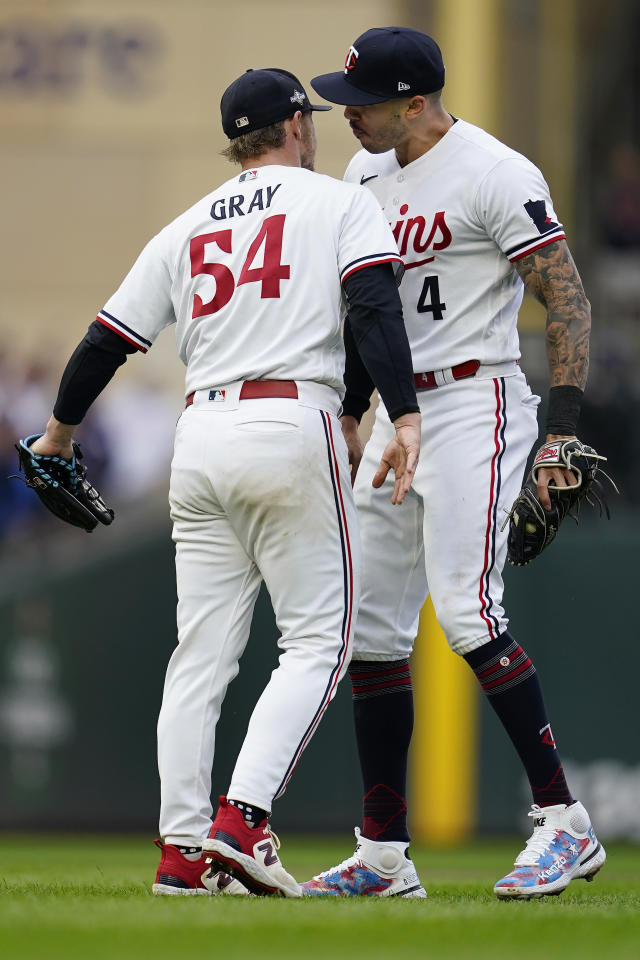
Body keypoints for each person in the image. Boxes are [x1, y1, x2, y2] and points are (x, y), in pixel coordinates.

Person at [28, 66, 421, 897]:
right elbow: (376, 311)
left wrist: (59, 431)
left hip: (200, 432)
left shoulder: (186, 224)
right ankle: (241, 822)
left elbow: (107, 339)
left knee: (200, 654)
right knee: (320, 640)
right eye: (308, 118)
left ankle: (180, 849)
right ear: (294, 127)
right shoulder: (336, 203)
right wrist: (403, 413)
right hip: (289, 420)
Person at [300, 26, 606, 900]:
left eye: (365, 102)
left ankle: (563, 825)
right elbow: (365, 307)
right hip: (401, 407)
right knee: (369, 633)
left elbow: (569, 296)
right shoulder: (362, 176)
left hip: (477, 396)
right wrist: (360, 407)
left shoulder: (495, 171)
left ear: (416, 101)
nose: (350, 115)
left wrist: (563, 426)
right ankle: (384, 853)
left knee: (469, 613)